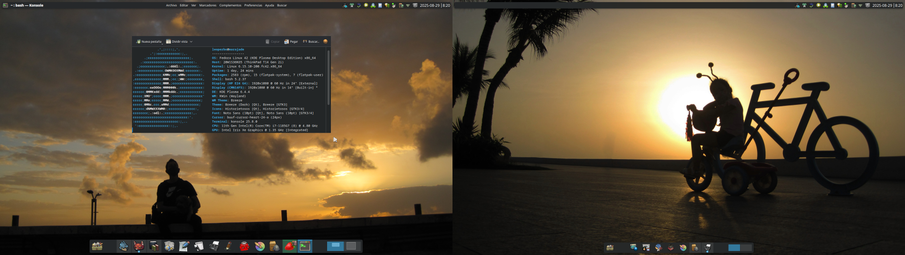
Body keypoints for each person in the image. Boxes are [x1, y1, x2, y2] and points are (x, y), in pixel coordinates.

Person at [682, 78, 744, 178]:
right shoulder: (728, 104)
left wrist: (696, 112)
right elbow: (707, 108)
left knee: (696, 139)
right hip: (726, 135)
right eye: (715, 94)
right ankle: (709, 161)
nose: (719, 95)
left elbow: (712, 113)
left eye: (721, 90)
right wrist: (716, 102)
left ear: (729, 90)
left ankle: (696, 169)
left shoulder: (732, 103)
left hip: (728, 136)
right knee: (708, 137)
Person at [152, 159, 202, 235]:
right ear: (166, 171)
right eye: (171, 166)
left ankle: (196, 245)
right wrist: (176, 209)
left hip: (185, 215)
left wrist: (190, 212)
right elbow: (160, 207)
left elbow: (197, 204)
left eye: (175, 166)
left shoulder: (186, 184)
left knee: (197, 220)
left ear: (178, 170)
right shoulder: (162, 186)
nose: (173, 167)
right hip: (169, 216)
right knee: (160, 220)